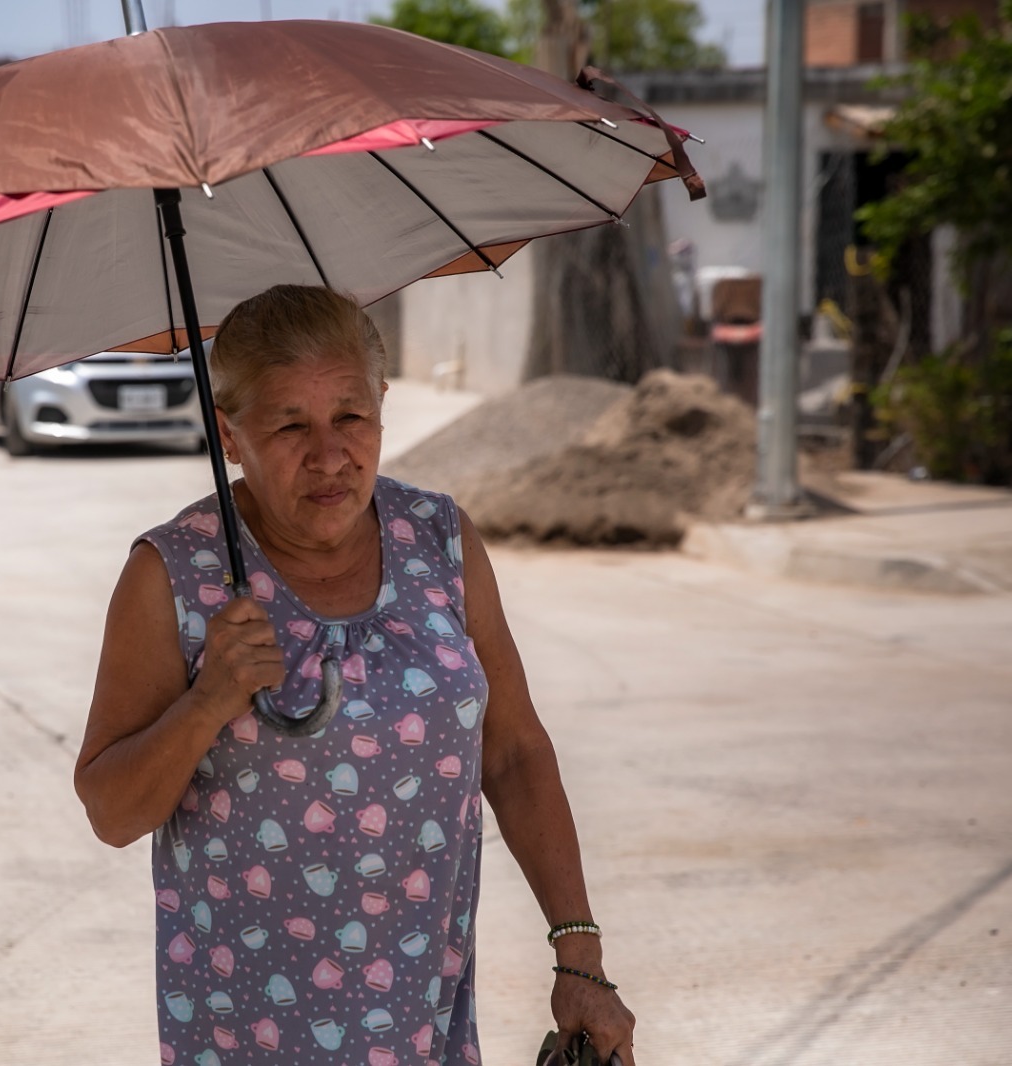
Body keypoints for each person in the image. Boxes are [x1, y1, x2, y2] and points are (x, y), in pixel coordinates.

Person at [75, 285, 636, 1066]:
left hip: (423, 1025)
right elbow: (111, 809)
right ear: (229, 434)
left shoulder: (438, 538)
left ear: (382, 406)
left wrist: (580, 955)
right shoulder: (172, 573)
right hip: (247, 1037)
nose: (330, 454)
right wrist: (208, 703)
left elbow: (512, 752)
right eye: (289, 425)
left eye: (350, 416)